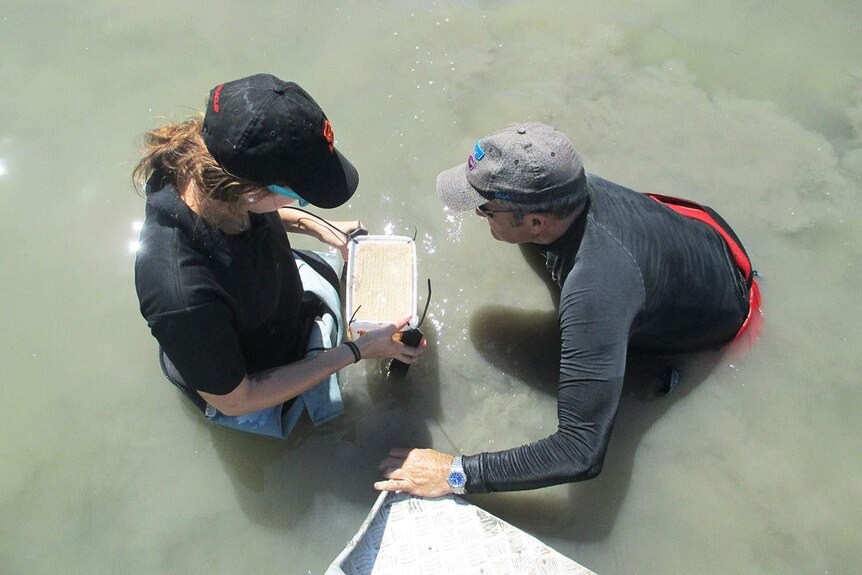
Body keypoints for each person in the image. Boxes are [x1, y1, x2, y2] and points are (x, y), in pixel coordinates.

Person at [375, 122, 761, 495]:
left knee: (495, 338)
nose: (477, 215)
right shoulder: (563, 185)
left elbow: (581, 451)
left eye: (486, 209)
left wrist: (455, 473)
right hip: (705, 242)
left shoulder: (595, 291)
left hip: (718, 321)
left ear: (537, 220)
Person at [134, 73, 425, 437]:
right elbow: (235, 400)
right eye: (301, 195)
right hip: (246, 382)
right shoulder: (180, 294)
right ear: (253, 192)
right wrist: (356, 351)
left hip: (272, 303)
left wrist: (315, 225)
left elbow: (258, 209)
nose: (301, 203)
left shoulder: (213, 167)